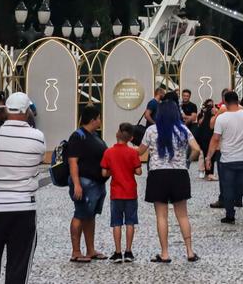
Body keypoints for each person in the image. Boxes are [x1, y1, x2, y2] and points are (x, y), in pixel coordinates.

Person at [0, 92, 44, 284]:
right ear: (27, 111)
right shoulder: (37, 137)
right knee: (19, 267)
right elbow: (35, 165)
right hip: (24, 208)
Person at [140, 99, 200, 263]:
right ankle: (189, 251)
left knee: (162, 216)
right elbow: (197, 149)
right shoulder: (183, 129)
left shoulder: (151, 130)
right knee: (182, 216)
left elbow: (140, 151)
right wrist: (187, 161)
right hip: (179, 174)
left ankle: (165, 253)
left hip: (158, 175)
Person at [207, 90, 243, 225]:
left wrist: (209, 157)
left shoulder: (222, 118)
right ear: (237, 101)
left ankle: (230, 215)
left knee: (228, 187)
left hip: (227, 159)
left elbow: (215, 139)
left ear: (225, 102)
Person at [65, 104, 109, 262]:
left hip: (97, 184)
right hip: (84, 183)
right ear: (92, 119)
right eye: (98, 118)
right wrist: (77, 184)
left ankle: (90, 250)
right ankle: (76, 252)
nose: (100, 121)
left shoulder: (95, 136)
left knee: (90, 216)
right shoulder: (77, 136)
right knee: (80, 214)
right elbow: (73, 162)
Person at [101, 122, 142, 263]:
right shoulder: (133, 152)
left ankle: (118, 253)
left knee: (116, 223)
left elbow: (104, 172)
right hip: (130, 192)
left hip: (116, 192)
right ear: (131, 138)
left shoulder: (109, 152)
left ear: (117, 134)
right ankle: (129, 252)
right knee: (130, 222)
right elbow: (139, 171)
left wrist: (115, 170)